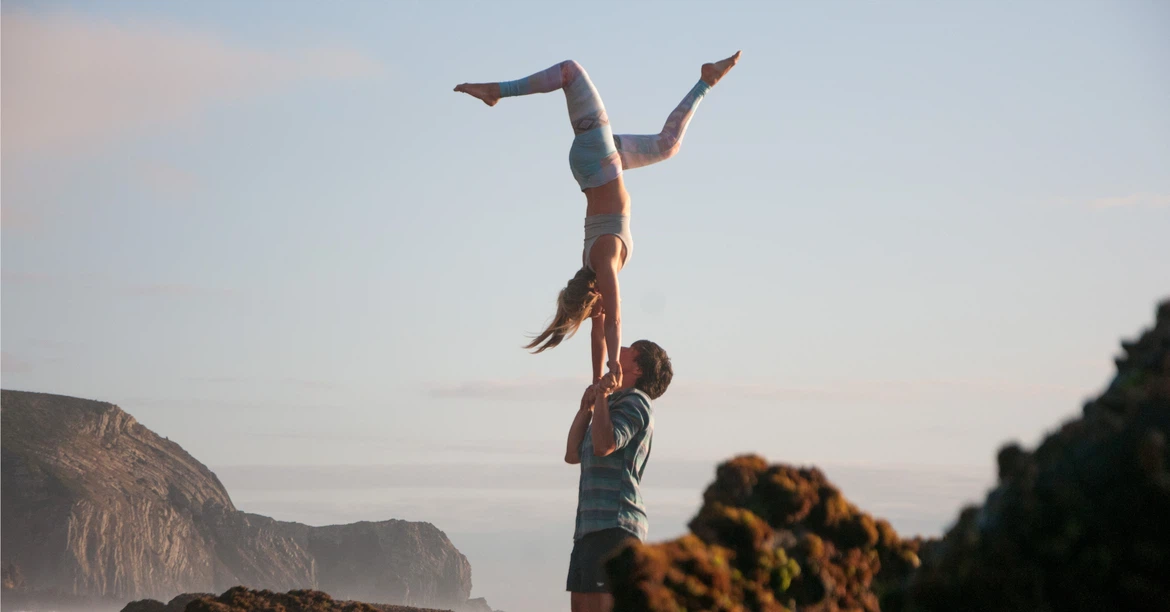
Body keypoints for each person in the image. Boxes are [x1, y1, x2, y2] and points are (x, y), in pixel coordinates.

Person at [454, 53, 739, 389]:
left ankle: (496, 90)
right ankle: (706, 80)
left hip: (597, 160)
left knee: (569, 71)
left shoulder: (603, 263)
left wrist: (615, 366)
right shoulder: (591, 266)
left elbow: (613, 321)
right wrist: (596, 379)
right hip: (597, 167)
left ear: (594, 294)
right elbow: (600, 329)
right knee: (668, 144)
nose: (598, 313)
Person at [563, 339, 673, 612]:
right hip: (590, 526)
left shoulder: (637, 402)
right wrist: (587, 408)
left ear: (637, 369)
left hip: (615, 525)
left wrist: (601, 399)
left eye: (628, 350)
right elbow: (572, 455)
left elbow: (604, 446)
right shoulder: (612, 404)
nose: (618, 349)